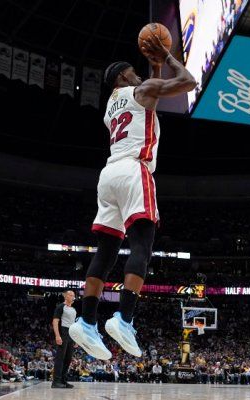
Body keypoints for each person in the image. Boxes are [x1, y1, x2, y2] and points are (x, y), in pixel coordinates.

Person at [69, 32, 196, 361]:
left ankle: (86, 321)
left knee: (107, 250)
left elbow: (148, 98)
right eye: (134, 72)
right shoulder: (140, 89)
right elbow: (188, 81)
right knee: (142, 243)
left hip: (108, 175)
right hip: (133, 170)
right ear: (125, 75)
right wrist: (166, 56)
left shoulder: (112, 104)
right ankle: (124, 319)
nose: (140, 74)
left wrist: (153, 69)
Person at [51, 290, 77, 389]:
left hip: (71, 333)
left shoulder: (74, 309)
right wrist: (57, 335)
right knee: (60, 358)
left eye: (74, 295)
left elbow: (74, 325)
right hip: (63, 332)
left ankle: (63, 380)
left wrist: (75, 338)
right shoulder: (60, 307)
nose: (73, 297)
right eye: (71, 295)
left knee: (68, 359)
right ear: (66, 296)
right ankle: (56, 382)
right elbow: (55, 321)